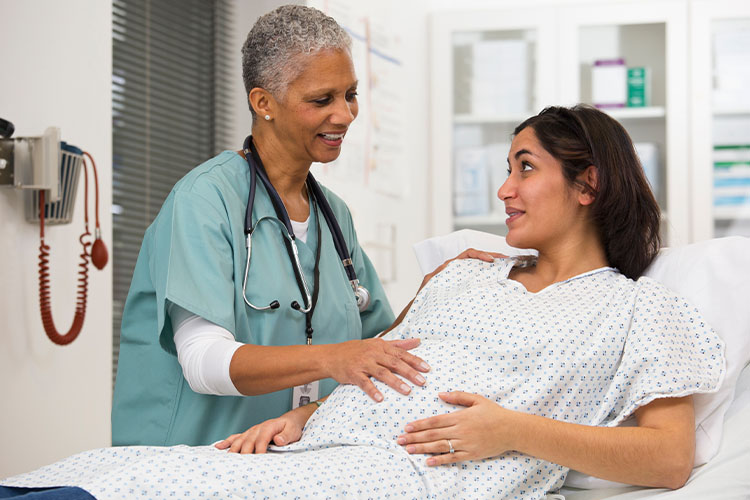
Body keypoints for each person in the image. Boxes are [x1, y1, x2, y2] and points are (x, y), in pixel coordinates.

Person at [1, 105, 725, 499]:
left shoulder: (638, 309)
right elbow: (382, 363)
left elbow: (666, 459)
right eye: (505, 168)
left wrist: (512, 432)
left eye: (525, 168)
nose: (503, 189)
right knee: (104, 472)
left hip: (406, 478)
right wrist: (299, 416)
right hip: (315, 452)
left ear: (589, 185)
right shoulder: (467, 274)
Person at [110, 4, 430, 448]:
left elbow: (376, 345)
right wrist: (332, 359)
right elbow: (204, 362)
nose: (345, 115)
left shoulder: (334, 216)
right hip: (193, 463)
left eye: (350, 94)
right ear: (263, 103)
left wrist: (440, 288)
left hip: (290, 468)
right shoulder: (205, 201)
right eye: (322, 99)